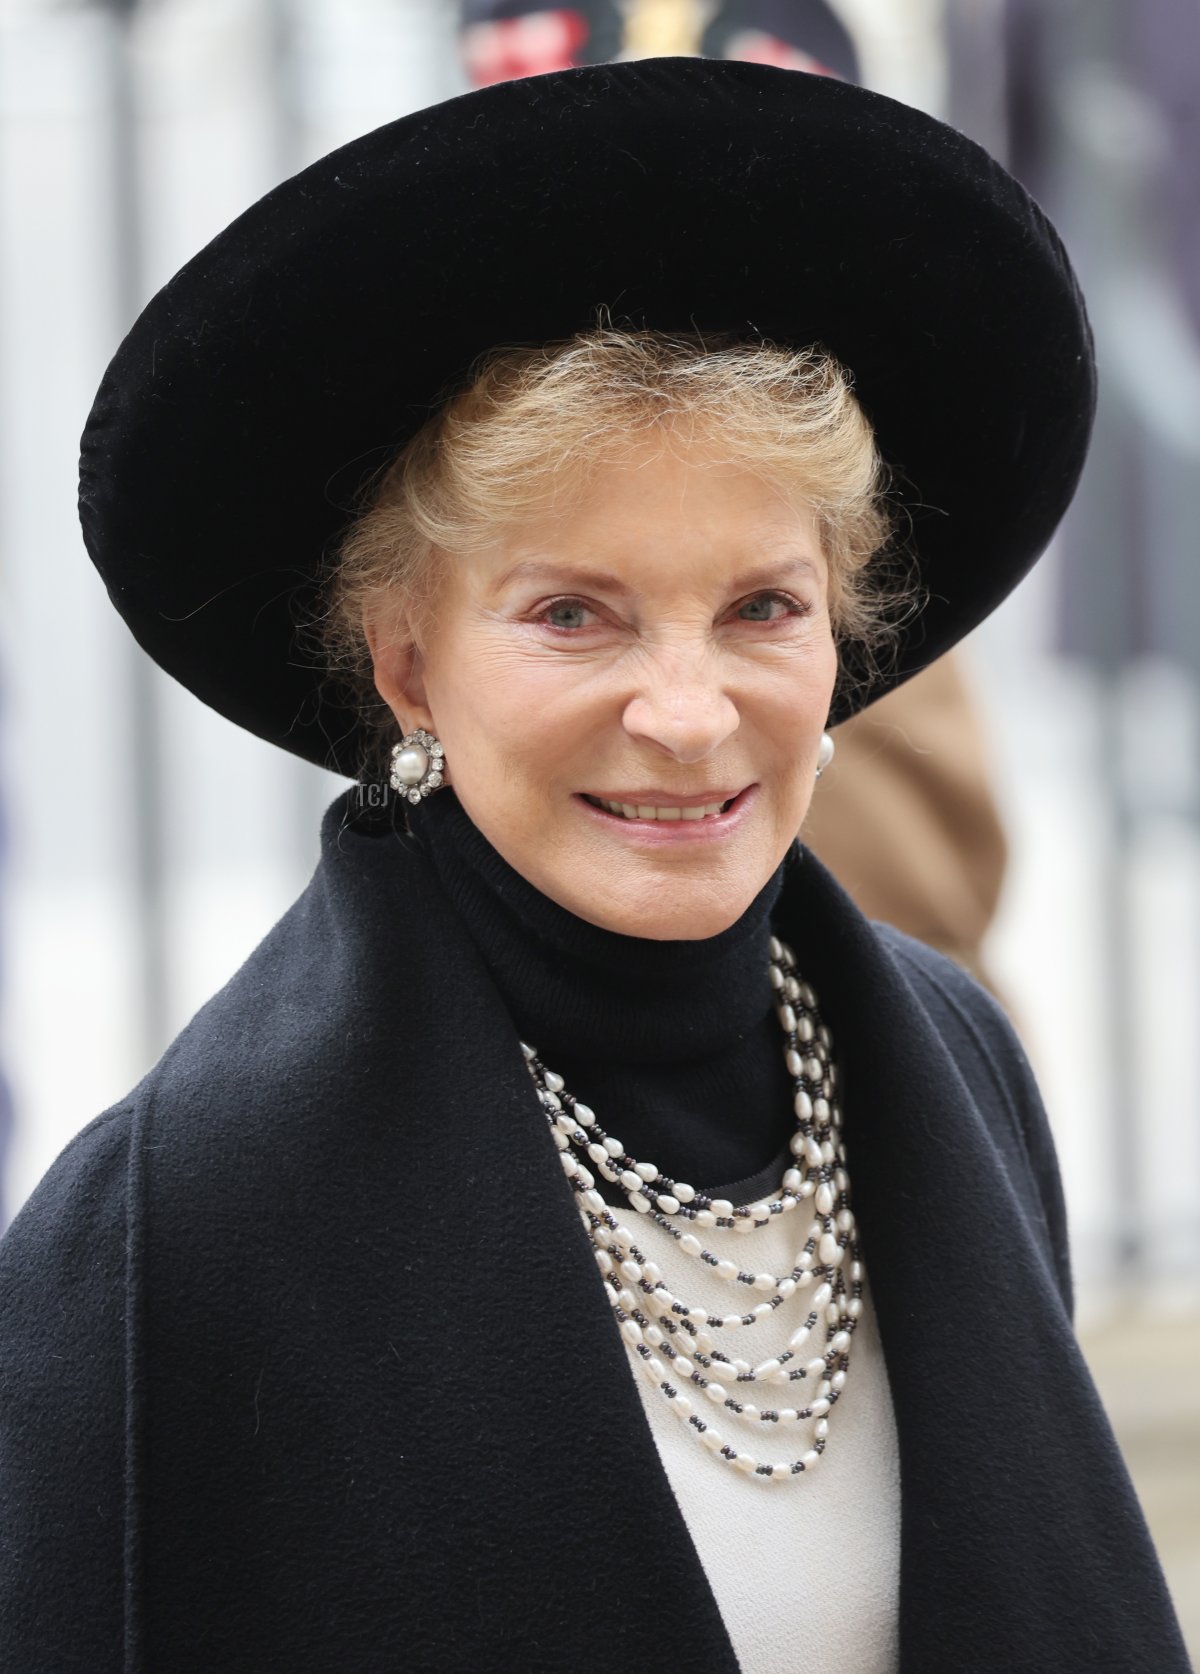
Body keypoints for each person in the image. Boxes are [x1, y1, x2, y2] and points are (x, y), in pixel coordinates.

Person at [0, 56, 1189, 1674]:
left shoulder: (954, 1063)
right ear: (409, 664)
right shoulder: (163, 1235)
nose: (692, 716)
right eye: (575, 613)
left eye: (762, 607)